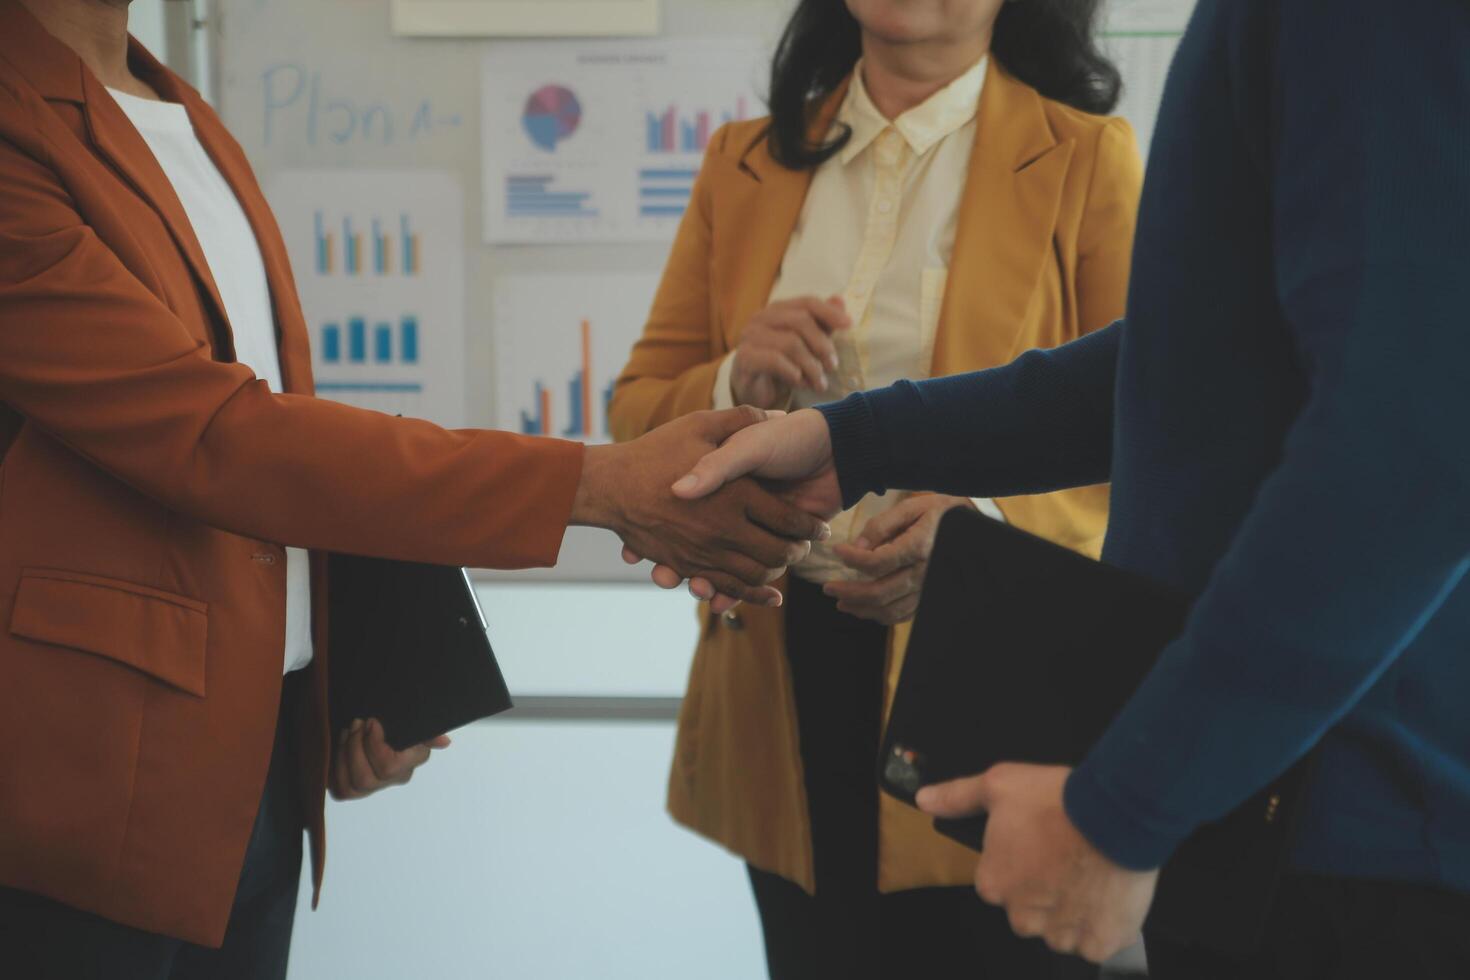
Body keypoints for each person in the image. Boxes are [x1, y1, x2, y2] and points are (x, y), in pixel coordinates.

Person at [0, 1, 830, 977]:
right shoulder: (21, 121)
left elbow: (260, 424)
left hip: (256, 758)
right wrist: (596, 483)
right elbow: (214, 435)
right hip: (92, 787)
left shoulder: (179, 105)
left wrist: (341, 668)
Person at [652, 0, 1470, 976]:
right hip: (1268, 800)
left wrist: (1126, 803)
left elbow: (1408, 455)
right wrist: (853, 438)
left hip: (1346, 824)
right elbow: (1191, 358)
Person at [608, 0, 1139, 975]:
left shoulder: (1091, 157)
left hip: (1001, 677)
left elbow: (1156, 436)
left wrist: (986, 535)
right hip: (776, 665)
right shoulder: (744, 159)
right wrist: (734, 376)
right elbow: (638, 412)